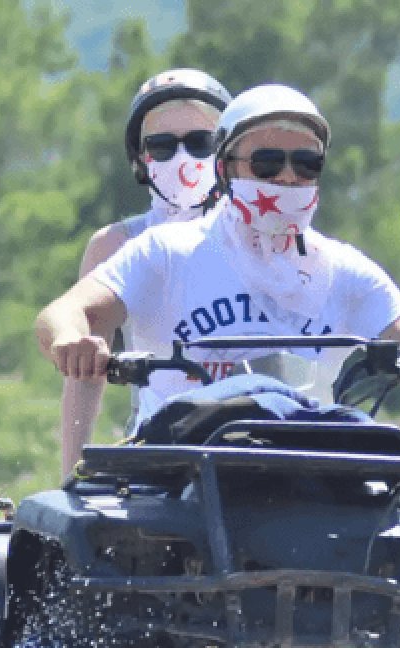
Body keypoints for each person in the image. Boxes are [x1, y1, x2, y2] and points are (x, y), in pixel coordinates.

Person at [36, 83, 400, 448]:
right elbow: (61, 314)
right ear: (226, 169)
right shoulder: (165, 251)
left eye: (306, 163)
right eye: (267, 162)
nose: (288, 177)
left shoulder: (348, 271)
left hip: (310, 472)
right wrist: (73, 339)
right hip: (176, 475)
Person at [62, 67, 232, 474]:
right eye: (162, 147)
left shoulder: (264, 235)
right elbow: (86, 377)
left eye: (200, 142)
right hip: (161, 450)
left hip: (266, 443)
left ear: (227, 152)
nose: (183, 158)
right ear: (140, 160)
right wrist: (71, 476)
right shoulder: (115, 244)